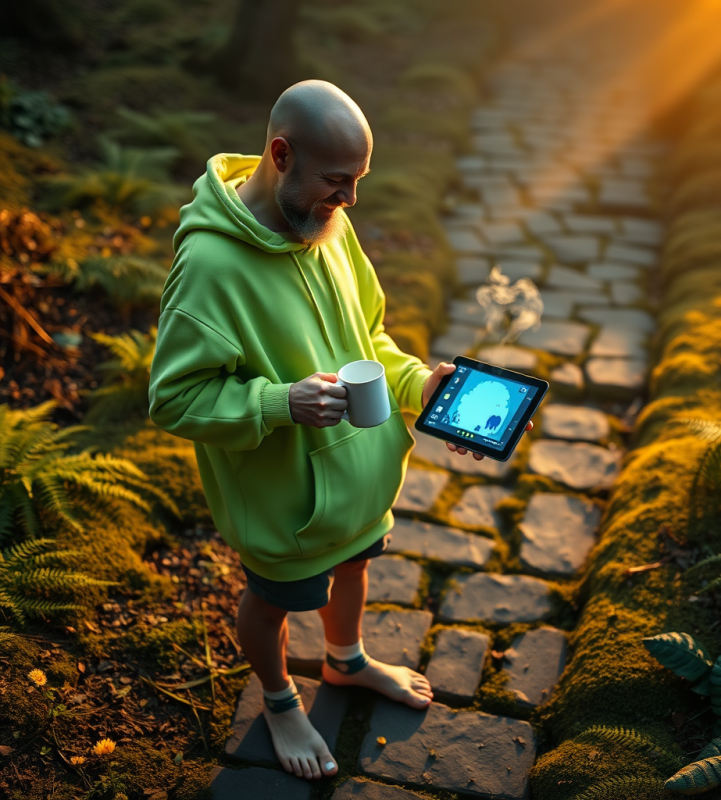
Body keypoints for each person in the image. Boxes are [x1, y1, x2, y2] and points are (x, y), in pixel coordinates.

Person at [147, 80, 534, 782]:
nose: (350, 201)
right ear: (280, 153)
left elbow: (370, 338)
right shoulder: (209, 268)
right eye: (337, 182)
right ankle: (279, 699)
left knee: (355, 566)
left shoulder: (328, 224)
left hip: (360, 481)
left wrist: (421, 385)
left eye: (358, 182)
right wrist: (277, 403)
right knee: (272, 604)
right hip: (286, 509)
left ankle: (345, 661)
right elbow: (173, 397)